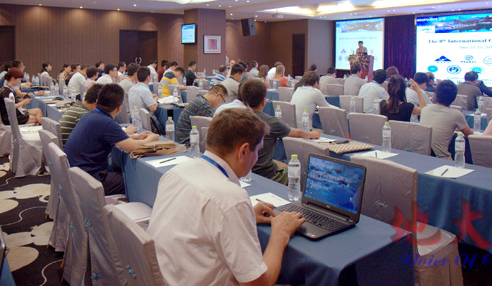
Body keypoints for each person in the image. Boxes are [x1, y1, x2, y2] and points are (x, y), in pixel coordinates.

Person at [148, 108, 304, 285]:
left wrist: (246, 216)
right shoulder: (231, 199)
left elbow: (195, 227)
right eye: (258, 151)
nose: (257, 158)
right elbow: (259, 284)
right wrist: (280, 234)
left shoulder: (175, 173)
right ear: (243, 151)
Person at [65, 84, 159, 194]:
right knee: (138, 181)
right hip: (91, 180)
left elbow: (111, 137)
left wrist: (137, 137)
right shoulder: (106, 122)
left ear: (97, 101)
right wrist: (152, 138)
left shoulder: (90, 115)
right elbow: (134, 148)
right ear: (119, 108)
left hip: (76, 176)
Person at [242, 79, 320, 184]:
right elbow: (297, 133)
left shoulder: (238, 118)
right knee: (295, 172)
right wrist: (311, 134)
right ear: (264, 101)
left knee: (281, 164)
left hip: (244, 170)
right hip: (266, 173)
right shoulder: (270, 122)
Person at [420, 80, 472, 159]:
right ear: (454, 98)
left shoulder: (425, 109)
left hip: (423, 157)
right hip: (443, 159)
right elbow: (469, 135)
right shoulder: (456, 114)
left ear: (435, 95)